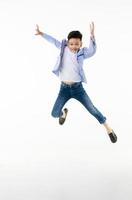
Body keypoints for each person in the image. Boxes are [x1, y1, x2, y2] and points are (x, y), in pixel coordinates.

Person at [35, 23, 117, 143]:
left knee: (92, 109)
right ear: (68, 43)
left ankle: (109, 129)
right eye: (71, 44)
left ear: (81, 44)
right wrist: (42, 34)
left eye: (77, 44)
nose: (74, 46)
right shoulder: (63, 48)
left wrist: (92, 36)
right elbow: (53, 41)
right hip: (64, 89)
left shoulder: (82, 53)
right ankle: (63, 113)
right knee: (54, 113)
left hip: (78, 89)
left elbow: (93, 51)